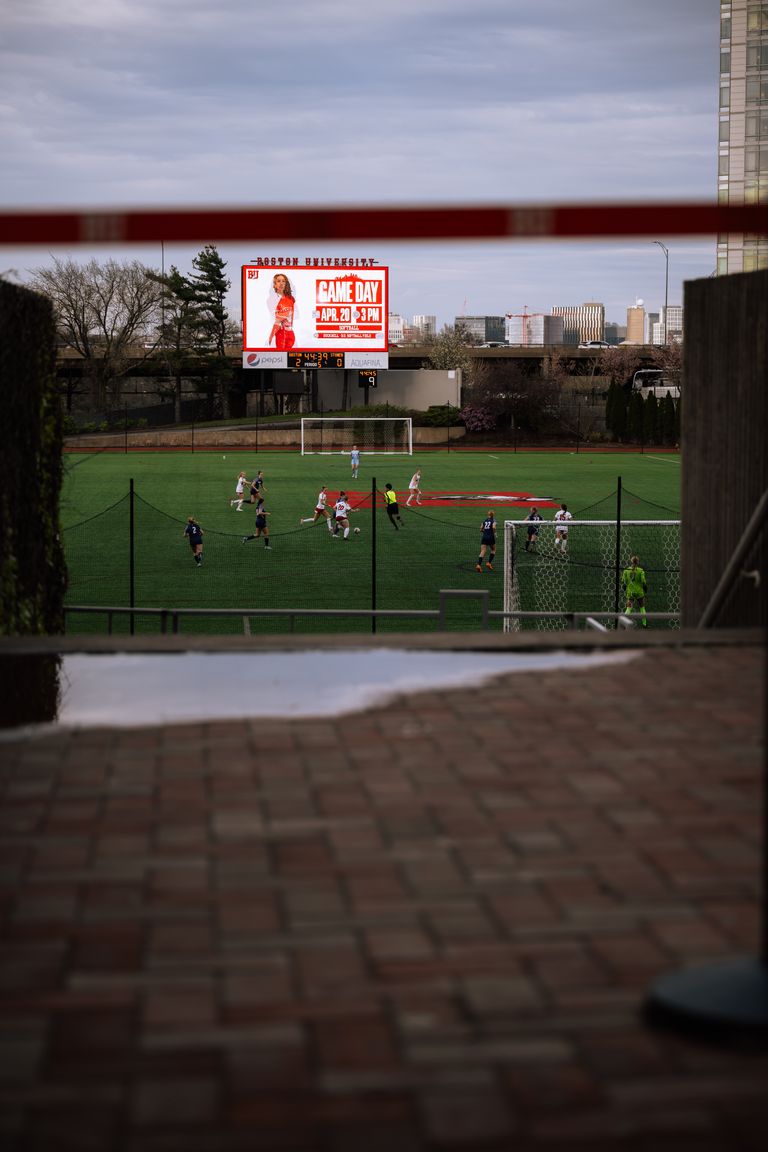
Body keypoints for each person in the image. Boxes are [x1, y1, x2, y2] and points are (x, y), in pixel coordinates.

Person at [267, 273, 296, 351]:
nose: (281, 283)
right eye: (278, 281)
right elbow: (277, 320)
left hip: (290, 333)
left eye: (283, 281)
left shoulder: (290, 299)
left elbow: (285, 316)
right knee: (281, 356)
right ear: (275, 284)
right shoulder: (272, 300)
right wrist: (271, 336)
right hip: (280, 332)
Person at [622, 554, 648, 627]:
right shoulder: (641, 571)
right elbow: (643, 581)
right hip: (639, 592)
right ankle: (644, 624)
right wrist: (645, 588)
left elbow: (624, 582)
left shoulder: (626, 571)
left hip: (630, 592)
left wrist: (625, 588)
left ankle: (624, 623)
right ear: (638, 562)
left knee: (628, 608)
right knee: (642, 607)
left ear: (631, 561)